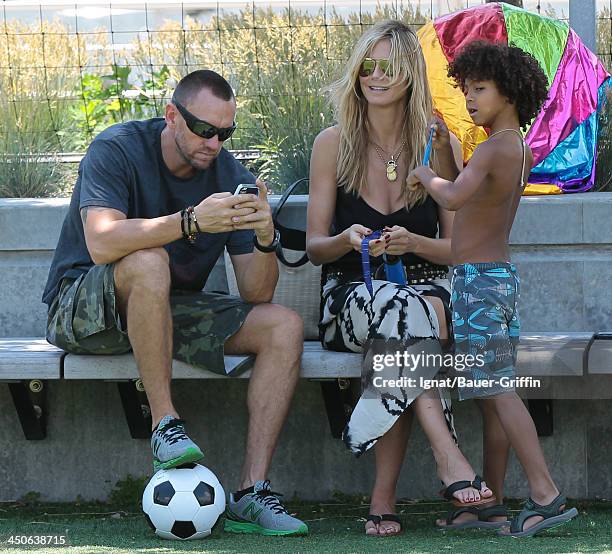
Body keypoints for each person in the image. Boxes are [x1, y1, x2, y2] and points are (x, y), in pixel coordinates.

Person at [42, 70, 308, 537]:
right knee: (148, 262)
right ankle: (166, 425)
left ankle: (252, 491)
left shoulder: (231, 178)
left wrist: (266, 235)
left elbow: (256, 293)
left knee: (282, 326)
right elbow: (103, 243)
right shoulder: (117, 148)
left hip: (164, 310)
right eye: (205, 130)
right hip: (82, 306)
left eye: (226, 133)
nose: (215, 144)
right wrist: (192, 222)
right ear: (172, 116)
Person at [306, 20, 494, 537]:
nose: (375, 75)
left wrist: (411, 244)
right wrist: (348, 241)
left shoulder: (438, 143)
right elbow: (314, 247)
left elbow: (457, 250)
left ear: (411, 74)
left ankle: (383, 497)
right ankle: (449, 461)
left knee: (408, 324)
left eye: (389, 66)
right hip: (352, 293)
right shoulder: (332, 144)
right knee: (408, 318)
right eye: (368, 64)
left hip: (427, 286)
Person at [408, 41, 578, 537]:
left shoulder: (494, 147)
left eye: (479, 89)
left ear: (509, 92)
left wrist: (424, 174)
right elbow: (471, 187)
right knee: (493, 390)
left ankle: (545, 494)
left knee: (500, 391)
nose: (469, 100)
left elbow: (456, 197)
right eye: (465, 91)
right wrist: (443, 154)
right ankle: (496, 501)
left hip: (477, 283)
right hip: (495, 278)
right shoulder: (515, 147)